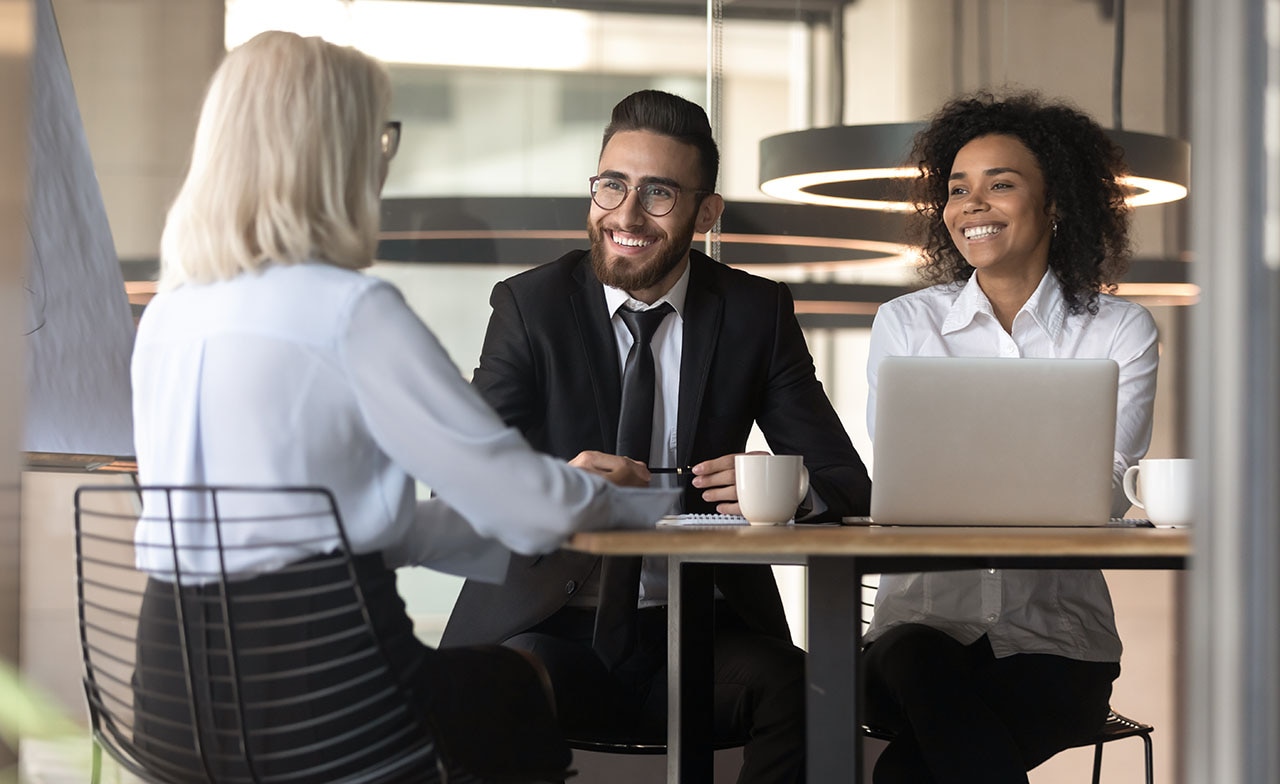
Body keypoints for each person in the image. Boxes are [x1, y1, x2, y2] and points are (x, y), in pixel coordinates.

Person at [129, 31, 675, 782]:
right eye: (380, 137)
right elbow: (526, 505)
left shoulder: (171, 315)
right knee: (519, 687)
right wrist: (612, 498)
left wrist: (527, 511)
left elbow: (324, 531)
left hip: (166, 701)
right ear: (339, 152)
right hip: (324, 708)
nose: (384, 160)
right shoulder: (349, 311)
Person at [441, 89, 872, 784]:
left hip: (701, 630)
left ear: (706, 213)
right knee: (487, 690)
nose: (627, 215)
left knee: (812, 686)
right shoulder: (530, 306)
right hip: (548, 625)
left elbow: (846, 484)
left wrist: (783, 489)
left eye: (659, 193)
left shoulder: (754, 313)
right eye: (612, 185)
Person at [861, 90, 1160, 784]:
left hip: (1057, 646)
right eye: (958, 188)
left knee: (906, 774)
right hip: (914, 639)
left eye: (1001, 183)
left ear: (1055, 203)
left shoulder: (1119, 330)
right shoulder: (906, 323)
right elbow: (907, 478)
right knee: (917, 658)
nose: (972, 203)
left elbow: (1107, 491)